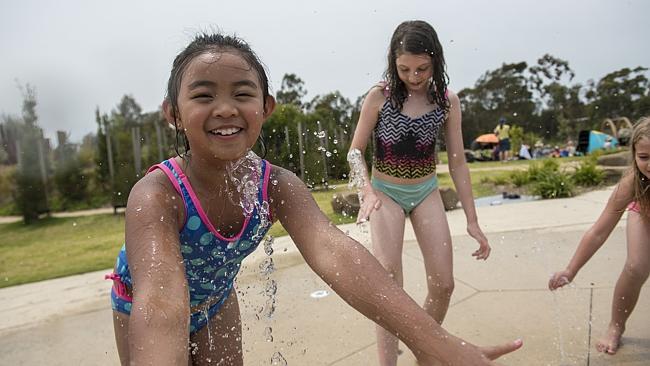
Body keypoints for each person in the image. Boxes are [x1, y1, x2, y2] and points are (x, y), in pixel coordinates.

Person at [106, 32, 522, 365]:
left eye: (242, 94)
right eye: (203, 96)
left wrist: (441, 347)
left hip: (216, 302)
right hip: (138, 307)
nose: (226, 108)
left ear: (266, 107)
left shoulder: (276, 186)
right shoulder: (158, 194)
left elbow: (336, 253)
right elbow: (161, 299)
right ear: (173, 113)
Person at [347, 20, 500, 366]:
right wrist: (366, 191)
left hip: (426, 190)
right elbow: (355, 152)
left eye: (422, 68)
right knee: (388, 283)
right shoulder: (379, 97)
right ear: (393, 63)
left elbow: (459, 163)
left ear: (436, 62)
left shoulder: (446, 102)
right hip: (385, 192)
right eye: (404, 69)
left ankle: (424, 352)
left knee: (444, 284)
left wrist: (473, 220)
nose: (413, 76)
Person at [549, 116, 650, 355]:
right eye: (644, 157)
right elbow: (598, 231)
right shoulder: (632, 183)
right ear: (634, 155)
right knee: (636, 266)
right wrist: (570, 270)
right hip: (644, 211)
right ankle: (616, 326)